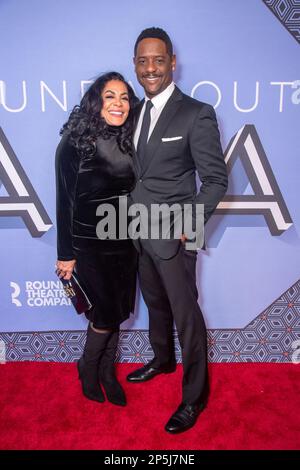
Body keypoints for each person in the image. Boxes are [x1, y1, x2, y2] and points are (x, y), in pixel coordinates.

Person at [126, 28, 228, 432]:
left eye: (158, 60)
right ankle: (162, 359)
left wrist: (189, 225)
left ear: (172, 63)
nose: (150, 68)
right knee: (155, 303)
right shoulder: (133, 111)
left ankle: (194, 397)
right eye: (142, 60)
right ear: (135, 64)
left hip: (175, 234)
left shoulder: (196, 113)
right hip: (136, 231)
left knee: (186, 314)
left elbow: (216, 181)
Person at [55, 72, 138, 406]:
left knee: (117, 312)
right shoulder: (74, 141)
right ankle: (88, 369)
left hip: (126, 241)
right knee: (103, 315)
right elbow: (64, 201)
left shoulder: (131, 138)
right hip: (89, 246)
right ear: (96, 100)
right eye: (110, 96)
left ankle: (107, 372)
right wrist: (65, 254)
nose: (118, 104)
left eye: (124, 97)